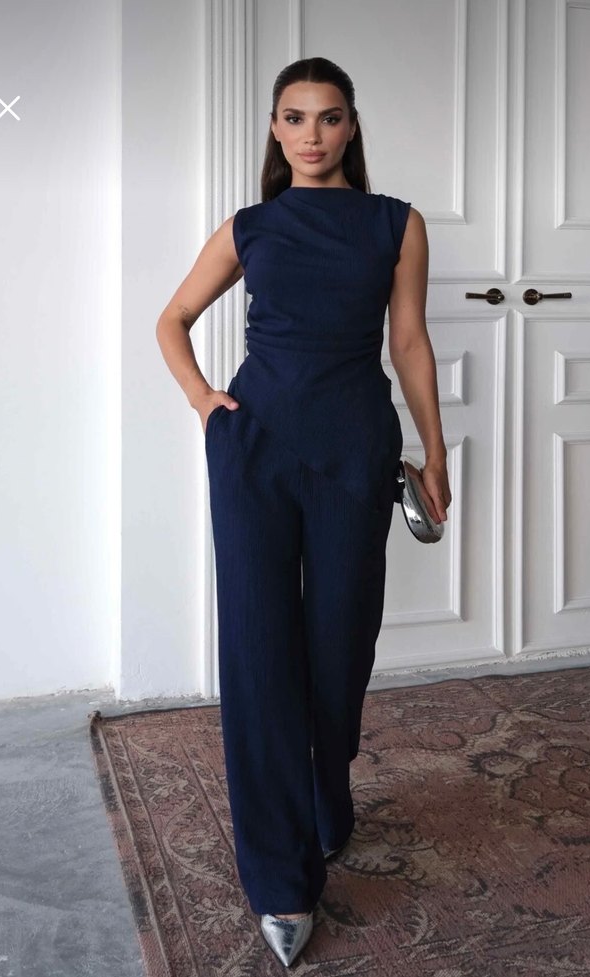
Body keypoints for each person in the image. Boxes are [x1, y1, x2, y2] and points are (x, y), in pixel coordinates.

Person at [156, 56, 451, 968]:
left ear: (350, 126)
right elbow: (172, 319)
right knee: (259, 649)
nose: (311, 134)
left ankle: (325, 794)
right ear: (275, 129)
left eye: (328, 117)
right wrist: (206, 402)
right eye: (294, 117)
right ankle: (281, 880)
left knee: (339, 644)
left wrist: (436, 451)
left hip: (355, 449)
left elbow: (409, 341)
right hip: (255, 450)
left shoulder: (396, 224)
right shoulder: (251, 227)